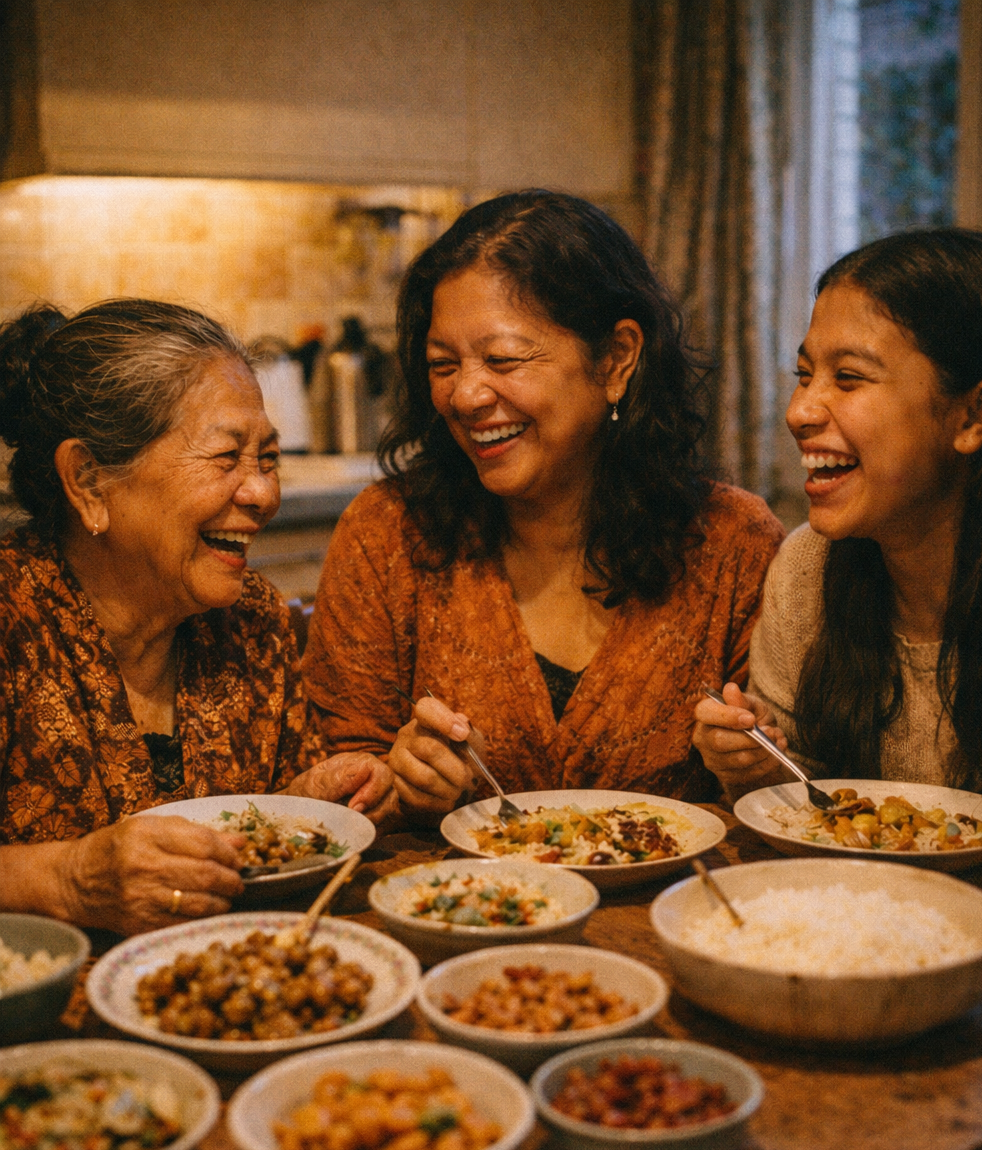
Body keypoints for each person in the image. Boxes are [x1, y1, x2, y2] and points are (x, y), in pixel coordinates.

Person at [302, 190, 783, 818]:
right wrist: (400, 783)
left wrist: (750, 764)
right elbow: (336, 787)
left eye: (503, 360)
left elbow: (786, 796)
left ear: (617, 359)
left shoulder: (732, 543)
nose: (466, 396)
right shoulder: (387, 533)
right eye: (443, 365)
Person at [0, 299, 396, 935]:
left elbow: (241, 838)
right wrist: (67, 880)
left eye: (267, 458)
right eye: (226, 457)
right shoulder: (11, 619)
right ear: (89, 481)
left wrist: (302, 806)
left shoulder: (251, 621)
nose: (263, 493)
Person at [693, 228, 982, 805]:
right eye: (803, 375)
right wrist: (758, 768)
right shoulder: (808, 570)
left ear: (975, 415)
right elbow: (814, 805)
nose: (799, 411)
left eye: (849, 378)